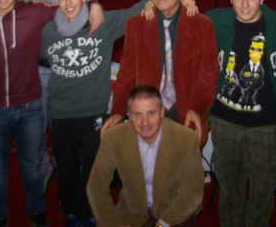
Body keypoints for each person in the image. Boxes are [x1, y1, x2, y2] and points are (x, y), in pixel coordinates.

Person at [42, 0, 196, 227]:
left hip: (93, 110)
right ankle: (72, 210)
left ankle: (91, 213)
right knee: (66, 167)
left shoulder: (103, 23)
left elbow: (138, 8)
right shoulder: (48, 30)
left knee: (94, 167)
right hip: (60, 113)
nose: (68, 2)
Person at [0, 0, 104, 227]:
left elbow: (69, 6)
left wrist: (95, 4)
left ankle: (35, 210)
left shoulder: (34, 13)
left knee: (32, 166)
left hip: (30, 105)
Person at [205, 0, 276, 227]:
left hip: (267, 125)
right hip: (225, 122)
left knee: (263, 190)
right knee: (230, 190)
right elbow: (179, 18)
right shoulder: (214, 20)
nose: (245, 4)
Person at [101, 0, 220, 146]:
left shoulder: (202, 25)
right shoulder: (136, 25)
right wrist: (117, 111)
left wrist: (197, 109)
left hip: (186, 113)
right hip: (148, 117)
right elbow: (126, 75)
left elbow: (209, 77)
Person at [87, 85, 204, 227]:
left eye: (151, 113)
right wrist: (113, 224)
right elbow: (96, 187)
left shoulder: (186, 139)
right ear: (128, 115)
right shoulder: (113, 138)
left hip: (173, 211)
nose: (145, 123)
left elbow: (193, 192)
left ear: (161, 112)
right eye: (138, 115)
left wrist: (162, 224)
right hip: (132, 213)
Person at [19, 0, 97, 130]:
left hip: (69, 74)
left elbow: (92, 33)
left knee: (68, 140)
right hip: (32, 73)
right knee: (33, 136)